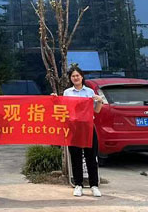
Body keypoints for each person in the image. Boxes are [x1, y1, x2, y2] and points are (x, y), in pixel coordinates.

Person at [62, 65, 104, 198]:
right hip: (74, 128)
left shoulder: (90, 92)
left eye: (77, 75)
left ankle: (94, 185)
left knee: (91, 157)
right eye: (73, 76)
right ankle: (78, 185)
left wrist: (100, 101)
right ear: (70, 78)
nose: (75, 78)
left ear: (82, 77)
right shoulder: (67, 93)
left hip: (88, 127)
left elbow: (97, 110)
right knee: (76, 157)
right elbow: (63, 109)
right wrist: (54, 99)